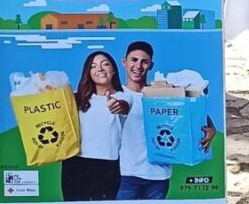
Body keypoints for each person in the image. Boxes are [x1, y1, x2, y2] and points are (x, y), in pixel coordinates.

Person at [116, 41, 216, 200]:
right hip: (126, 175)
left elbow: (191, 109)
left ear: (151, 65)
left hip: (159, 175)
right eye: (134, 60)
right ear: (124, 61)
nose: (138, 66)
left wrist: (211, 128)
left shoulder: (162, 94)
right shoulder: (116, 95)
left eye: (144, 61)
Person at [61, 51, 136, 201]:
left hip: (106, 166)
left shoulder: (124, 96)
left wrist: (116, 105)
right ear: (88, 72)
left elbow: (123, 106)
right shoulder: (75, 98)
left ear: (113, 70)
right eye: (93, 66)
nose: (100, 69)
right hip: (75, 164)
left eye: (105, 64)